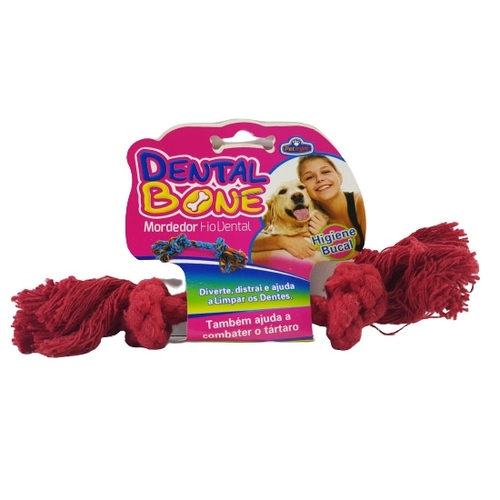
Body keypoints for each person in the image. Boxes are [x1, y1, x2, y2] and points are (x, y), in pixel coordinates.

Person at [297, 154, 365, 251]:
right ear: (303, 188)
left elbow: (374, 257)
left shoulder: (361, 202)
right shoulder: (309, 217)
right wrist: (281, 241)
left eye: (325, 172)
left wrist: (327, 238)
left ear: (339, 177)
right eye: (309, 177)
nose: (319, 179)